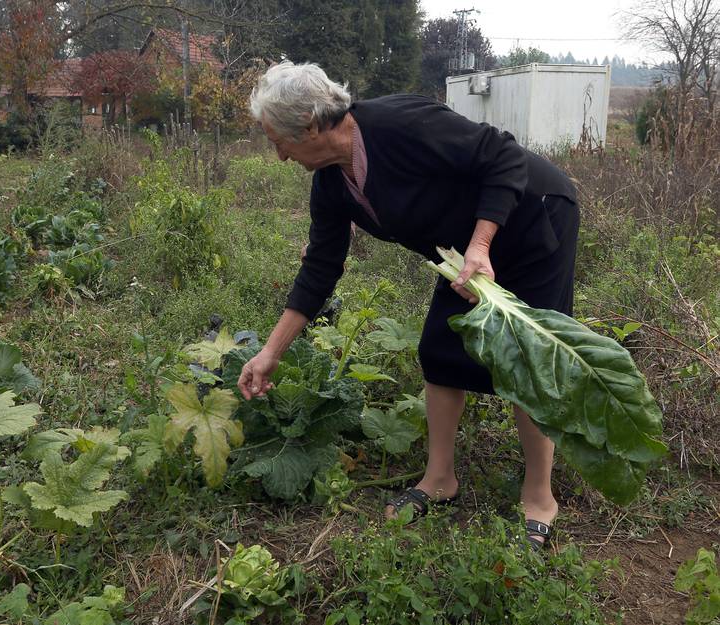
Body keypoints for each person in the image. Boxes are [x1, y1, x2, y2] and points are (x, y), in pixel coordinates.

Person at [236, 61, 581, 550]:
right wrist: (270, 352)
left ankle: (539, 496)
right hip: (464, 245)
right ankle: (440, 480)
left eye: (280, 141)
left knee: (529, 358)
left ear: (311, 125)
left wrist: (482, 247)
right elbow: (320, 269)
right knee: (440, 349)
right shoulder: (333, 184)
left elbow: (504, 156)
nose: (279, 157)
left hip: (531, 215)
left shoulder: (398, 123)